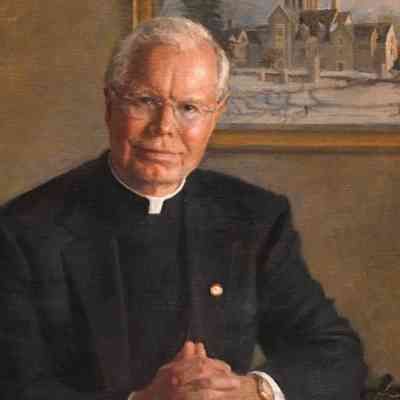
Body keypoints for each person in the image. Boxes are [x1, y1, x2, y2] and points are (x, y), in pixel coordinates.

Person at [0, 17, 366, 400]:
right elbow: (15, 387)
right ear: (110, 104)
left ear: (216, 116)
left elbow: (338, 355)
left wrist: (250, 390)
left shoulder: (254, 218)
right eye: (145, 101)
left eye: (189, 107)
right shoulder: (24, 230)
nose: (164, 127)